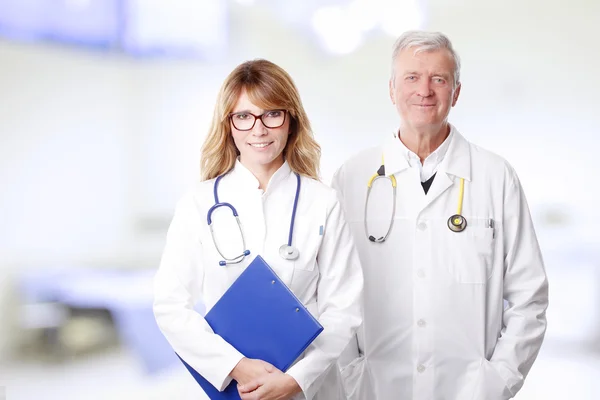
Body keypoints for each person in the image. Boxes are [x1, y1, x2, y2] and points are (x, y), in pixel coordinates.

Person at [333, 31, 549, 400]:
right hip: (374, 388)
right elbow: (331, 293)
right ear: (391, 89)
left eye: (439, 79)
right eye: (412, 78)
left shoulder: (495, 176)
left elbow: (529, 297)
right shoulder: (352, 176)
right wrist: (350, 378)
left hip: (468, 390)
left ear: (456, 92)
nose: (425, 90)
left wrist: (497, 381)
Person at [153, 59, 363, 400]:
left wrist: (295, 380)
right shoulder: (199, 202)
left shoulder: (323, 202)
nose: (259, 130)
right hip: (237, 389)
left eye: (272, 114)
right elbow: (170, 305)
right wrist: (236, 365)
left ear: (291, 120)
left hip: (312, 389)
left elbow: (345, 308)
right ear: (229, 125)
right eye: (244, 116)